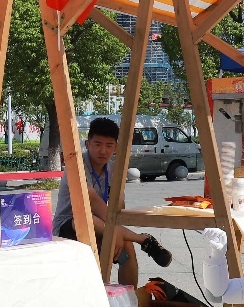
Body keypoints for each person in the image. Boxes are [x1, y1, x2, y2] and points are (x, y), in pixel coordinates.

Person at [53, 117, 171, 288]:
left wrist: (116, 232)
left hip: (103, 225)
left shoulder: (114, 169)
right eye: (98, 144)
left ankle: (129, 302)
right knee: (89, 216)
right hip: (69, 225)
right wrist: (115, 231)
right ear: (87, 144)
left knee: (127, 247)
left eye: (109, 146)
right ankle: (142, 239)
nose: (103, 150)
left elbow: (119, 206)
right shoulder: (77, 165)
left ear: (115, 147)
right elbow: (90, 200)